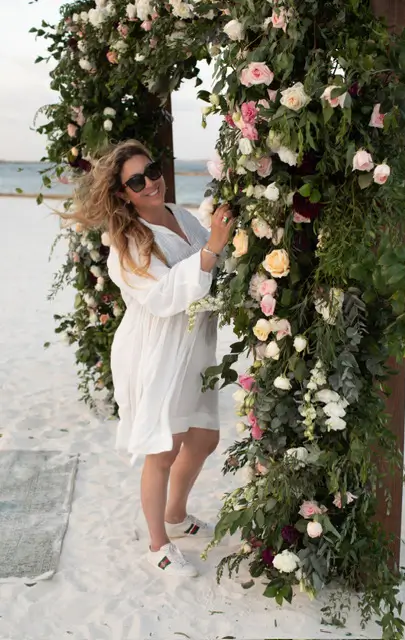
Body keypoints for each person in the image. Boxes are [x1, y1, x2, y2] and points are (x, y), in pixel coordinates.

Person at [70, 140, 234, 577]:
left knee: (202, 438)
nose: (150, 183)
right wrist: (212, 248)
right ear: (123, 192)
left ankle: (176, 515)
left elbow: (213, 264)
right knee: (164, 447)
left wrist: (221, 242)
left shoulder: (179, 215)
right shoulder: (127, 243)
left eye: (153, 171)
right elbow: (163, 295)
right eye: (137, 181)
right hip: (157, 349)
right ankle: (158, 543)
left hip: (195, 345)